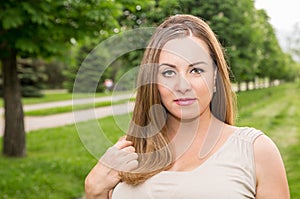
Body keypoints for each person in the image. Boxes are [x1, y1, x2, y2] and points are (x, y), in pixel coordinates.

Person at [85, 14, 290, 199]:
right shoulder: (130, 152)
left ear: (215, 78)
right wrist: (94, 192)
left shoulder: (255, 151)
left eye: (196, 70)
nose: (182, 86)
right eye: (168, 73)